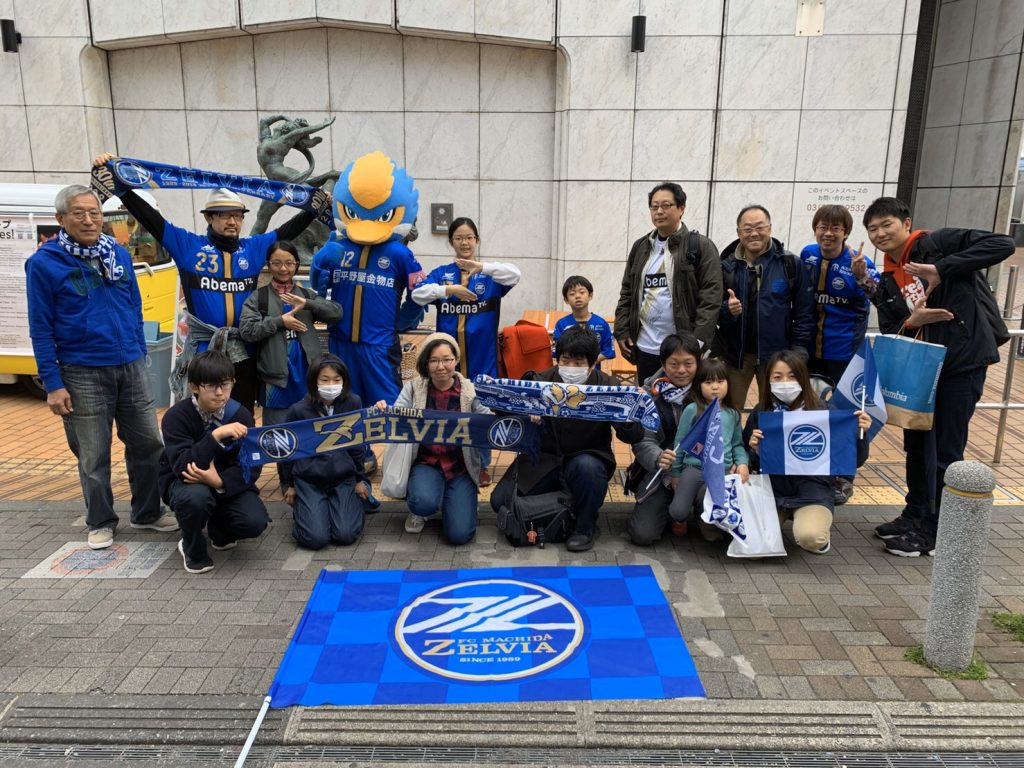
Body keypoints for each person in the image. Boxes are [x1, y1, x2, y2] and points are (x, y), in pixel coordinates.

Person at [92, 152, 321, 414]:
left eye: (238, 216)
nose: (232, 221)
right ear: (208, 218)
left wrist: (315, 205)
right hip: (204, 349)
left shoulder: (254, 248)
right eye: (224, 215)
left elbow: (290, 230)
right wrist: (119, 182)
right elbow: (151, 220)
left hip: (245, 349)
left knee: (242, 414)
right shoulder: (187, 245)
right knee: (203, 416)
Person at [25, 184, 177, 551]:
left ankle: (147, 513)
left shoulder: (118, 254)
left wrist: (139, 350)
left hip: (131, 365)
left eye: (94, 213)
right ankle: (100, 520)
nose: (89, 220)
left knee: (148, 443)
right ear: (61, 219)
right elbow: (40, 328)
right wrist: (53, 383)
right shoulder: (44, 263)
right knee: (93, 453)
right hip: (82, 371)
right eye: (79, 213)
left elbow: (134, 306)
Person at [864, 196, 1014, 557]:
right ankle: (915, 514)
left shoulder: (936, 244)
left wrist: (942, 269)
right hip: (922, 370)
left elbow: (1003, 243)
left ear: (906, 223)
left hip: (960, 365)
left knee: (945, 450)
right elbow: (892, 328)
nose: (880, 233)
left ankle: (935, 531)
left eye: (887, 224)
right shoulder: (889, 274)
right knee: (916, 446)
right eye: (873, 229)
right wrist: (912, 321)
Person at [490, 326, 644, 552]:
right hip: (543, 459)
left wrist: (633, 411)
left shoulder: (610, 387)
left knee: (588, 469)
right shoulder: (540, 382)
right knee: (498, 501)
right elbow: (507, 414)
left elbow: (632, 436)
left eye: (578, 363)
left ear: (592, 363)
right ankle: (566, 506)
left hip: (586, 459)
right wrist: (516, 408)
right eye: (565, 360)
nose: (571, 368)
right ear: (557, 358)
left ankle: (584, 527)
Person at [411, 217, 521, 486]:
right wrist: (448, 290)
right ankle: (449, 460)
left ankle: (481, 464)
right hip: (447, 364)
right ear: (451, 242)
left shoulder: (489, 276)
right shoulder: (442, 273)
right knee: (449, 411)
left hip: (482, 360)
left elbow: (515, 274)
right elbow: (417, 294)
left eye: (469, 237)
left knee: (481, 413)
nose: (464, 242)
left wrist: (482, 266)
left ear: (477, 240)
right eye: (459, 238)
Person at [744, 350, 871, 555]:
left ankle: (815, 530)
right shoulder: (762, 412)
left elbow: (855, 460)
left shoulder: (825, 413)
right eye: (777, 377)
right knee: (753, 543)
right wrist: (755, 450)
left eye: (792, 376)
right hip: (773, 490)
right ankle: (784, 518)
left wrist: (860, 434)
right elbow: (748, 458)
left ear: (803, 378)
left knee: (810, 537)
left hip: (813, 490)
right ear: (768, 381)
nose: (785, 382)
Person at [238, 240, 342, 486]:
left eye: (288, 263)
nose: (283, 268)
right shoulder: (260, 298)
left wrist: (308, 304)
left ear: (296, 264)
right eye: (277, 263)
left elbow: (336, 312)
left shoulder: (304, 294)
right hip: (275, 380)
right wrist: (279, 322)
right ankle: (288, 483)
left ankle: (312, 479)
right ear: (268, 265)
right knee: (279, 436)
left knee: (311, 430)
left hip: (308, 376)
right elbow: (247, 330)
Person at [158, 350, 269, 574]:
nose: (220, 393)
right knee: (195, 498)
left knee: (254, 521)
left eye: (225, 385)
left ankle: (220, 530)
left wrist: (219, 482)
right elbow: (183, 466)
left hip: (223, 484)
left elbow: (251, 465)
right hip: (187, 484)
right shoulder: (176, 417)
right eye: (211, 386)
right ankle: (192, 547)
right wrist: (215, 436)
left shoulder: (241, 415)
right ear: (194, 387)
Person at [799, 204, 880, 505]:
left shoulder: (859, 262)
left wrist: (862, 278)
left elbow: (876, 295)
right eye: (823, 227)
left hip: (844, 351)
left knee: (845, 415)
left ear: (846, 232)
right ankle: (809, 468)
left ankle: (844, 477)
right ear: (815, 229)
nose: (828, 233)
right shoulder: (807, 255)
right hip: (809, 350)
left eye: (836, 228)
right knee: (809, 408)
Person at [389, 333, 491, 545]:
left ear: (456, 359)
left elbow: (489, 419)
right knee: (422, 502)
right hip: (426, 463)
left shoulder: (471, 391)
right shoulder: (414, 388)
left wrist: (494, 394)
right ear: (426, 363)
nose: (441, 366)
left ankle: (455, 501)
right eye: (434, 360)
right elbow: (396, 414)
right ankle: (421, 509)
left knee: (459, 535)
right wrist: (382, 410)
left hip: (460, 467)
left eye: (447, 359)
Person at [615, 182, 722, 383]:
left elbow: (711, 297)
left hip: (683, 350)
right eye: (654, 206)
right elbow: (627, 292)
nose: (659, 211)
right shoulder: (641, 247)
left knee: (685, 400)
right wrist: (622, 330)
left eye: (666, 205)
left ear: (681, 208)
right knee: (651, 398)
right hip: (646, 346)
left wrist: (696, 343)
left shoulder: (700, 246)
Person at [713, 205, 815, 411]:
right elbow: (714, 313)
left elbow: (804, 313)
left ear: (769, 228)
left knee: (774, 411)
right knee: (729, 410)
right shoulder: (726, 266)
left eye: (759, 227)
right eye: (747, 229)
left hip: (776, 357)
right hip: (736, 357)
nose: (754, 233)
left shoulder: (789, 264)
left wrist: (797, 351)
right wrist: (728, 311)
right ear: (738, 232)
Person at [281, 354, 375, 549]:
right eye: (324, 380)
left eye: (336, 379)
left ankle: (349, 506)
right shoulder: (298, 410)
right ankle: (305, 513)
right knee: (315, 538)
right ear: (313, 381)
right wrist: (290, 484)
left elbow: (357, 446)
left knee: (345, 535)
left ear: (344, 381)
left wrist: (360, 479)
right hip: (309, 480)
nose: (331, 385)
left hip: (343, 478)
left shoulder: (353, 402)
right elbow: (287, 451)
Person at [625, 332, 700, 545]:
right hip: (662, 474)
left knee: (713, 528)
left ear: (698, 363)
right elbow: (643, 441)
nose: (681, 370)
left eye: (688, 363)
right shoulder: (650, 396)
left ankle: (700, 514)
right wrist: (659, 457)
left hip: (701, 471)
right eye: (674, 364)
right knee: (642, 534)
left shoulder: (709, 393)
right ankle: (671, 509)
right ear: (663, 365)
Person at [669, 358, 749, 540]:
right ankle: (681, 520)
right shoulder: (692, 409)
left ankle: (703, 516)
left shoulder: (733, 413)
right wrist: (676, 472)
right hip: (693, 468)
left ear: (728, 383)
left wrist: (742, 463)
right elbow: (680, 442)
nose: (715, 387)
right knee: (678, 511)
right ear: (699, 385)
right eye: (708, 382)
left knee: (708, 500)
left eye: (720, 381)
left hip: (722, 471)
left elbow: (737, 444)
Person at [553, 275, 615, 363]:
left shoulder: (601, 323)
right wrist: (575, 363)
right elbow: (557, 352)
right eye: (572, 294)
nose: (577, 296)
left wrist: (589, 362)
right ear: (566, 299)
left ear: (590, 295)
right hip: (569, 369)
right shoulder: (561, 324)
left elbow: (608, 350)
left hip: (593, 370)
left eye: (582, 292)